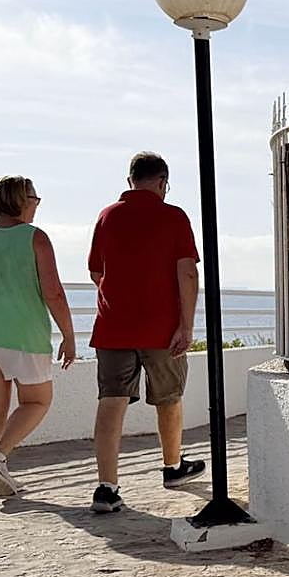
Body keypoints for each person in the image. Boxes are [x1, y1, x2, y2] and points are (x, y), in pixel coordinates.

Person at [87, 152, 205, 513]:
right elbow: (187, 272)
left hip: (113, 327)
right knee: (168, 398)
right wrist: (186, 325)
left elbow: (96, 272)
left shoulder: (107, 216)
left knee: (111, 401)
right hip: (162, 328)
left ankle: (106, 488)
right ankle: (172, 467)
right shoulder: (174, 217)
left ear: (131, 181)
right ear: (163, 182)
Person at [0, 176, 76, 497]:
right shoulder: (34, 238)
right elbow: (53, 293)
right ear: (21, 200)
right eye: (34, 198)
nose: (36, 205)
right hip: (22, 334)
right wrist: (69, 335)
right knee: (37, 401)